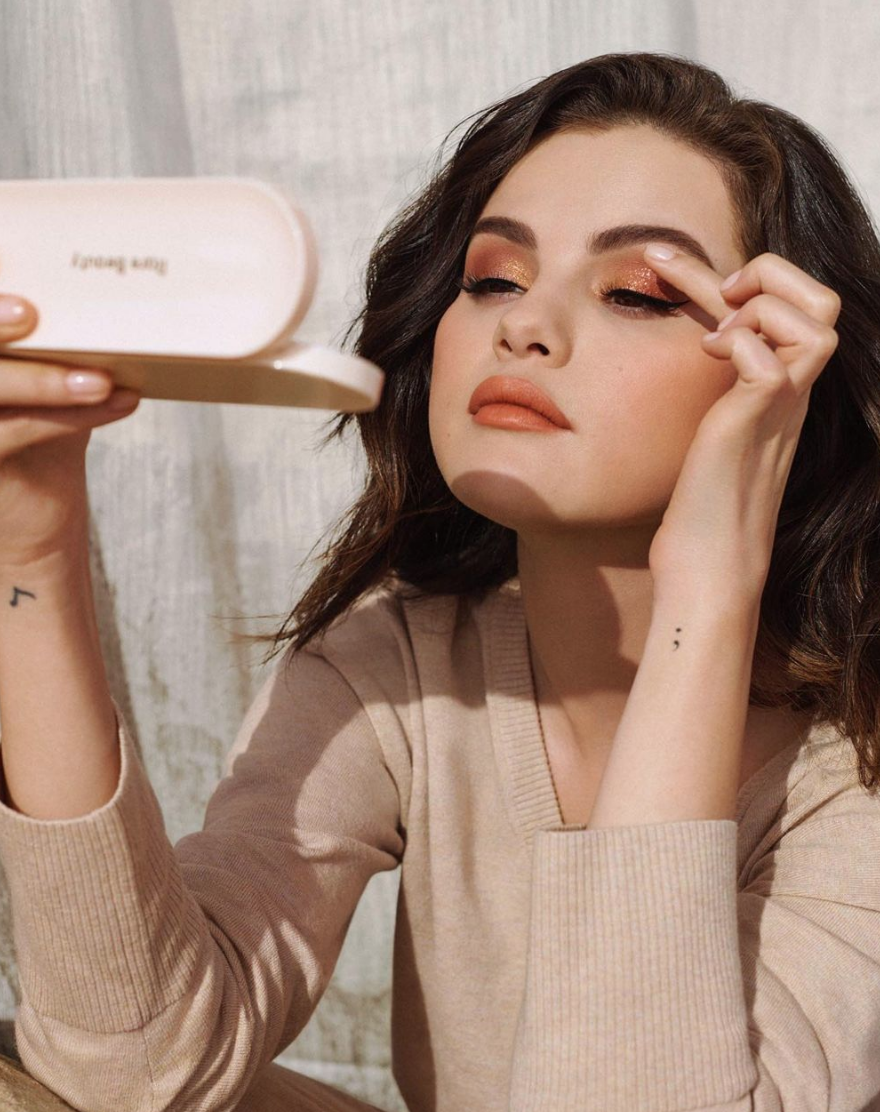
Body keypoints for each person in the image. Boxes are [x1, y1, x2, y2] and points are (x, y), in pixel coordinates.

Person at [0, 48, 877, 1112]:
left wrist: (710, 585)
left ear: (781, 382)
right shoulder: (402, 663)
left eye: (636, 293)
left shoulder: (851, 768)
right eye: (493, 277)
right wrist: (29, 550)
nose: (522, 323)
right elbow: (132, 1070)